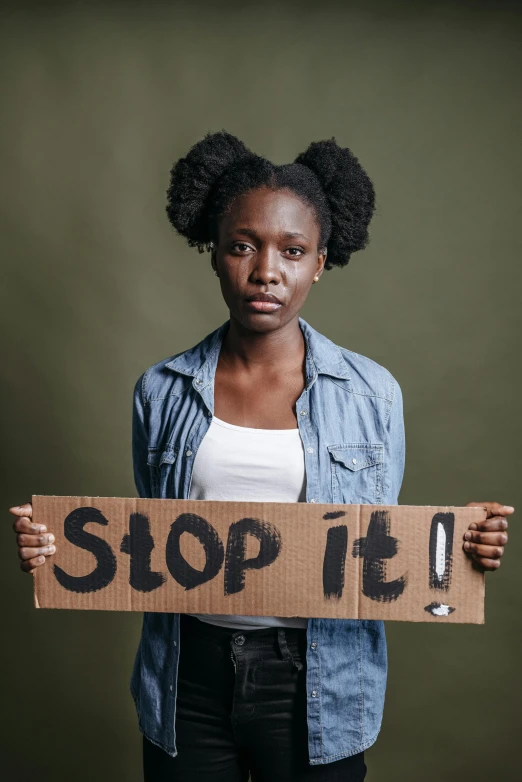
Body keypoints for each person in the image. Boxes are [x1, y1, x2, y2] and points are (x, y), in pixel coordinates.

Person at [10, 132, 514, 781]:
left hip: (318, 680)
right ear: (215, 255)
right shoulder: (160, 392)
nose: (266, 270)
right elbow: (147, 537)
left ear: (319, 263)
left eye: (292, 251)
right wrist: (62, 551)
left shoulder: (372, 396)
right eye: (243, 246)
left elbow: (374, 546)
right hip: (187, 678)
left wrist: (452, 548)